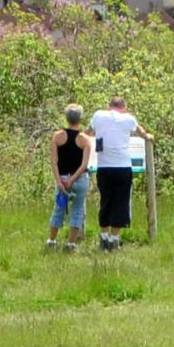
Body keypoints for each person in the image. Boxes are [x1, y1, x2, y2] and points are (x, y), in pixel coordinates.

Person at [88, 91, 142, 250]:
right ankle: (114, 238)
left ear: (108, 106)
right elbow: (141, 132)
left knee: (106, 201)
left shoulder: (98, 115)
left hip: (104, 167)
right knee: (121, 202)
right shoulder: (129, 119)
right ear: (124, 108)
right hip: (123, 166)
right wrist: (149, 137)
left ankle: (103, 237)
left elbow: (88, 132)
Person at [45, 105, 92, 250]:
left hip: (62, 178)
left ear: (66, 118)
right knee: (77, 210)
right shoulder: (84, 139)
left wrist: (59, 181)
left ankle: (52, 241)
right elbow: (84, 165)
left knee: (59, 208)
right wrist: (73, 179)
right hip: (80, 179)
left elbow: (54, 161)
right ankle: (70, 243)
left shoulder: (58, 136)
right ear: (80, 119)